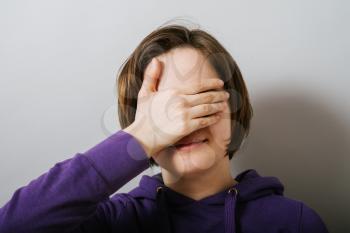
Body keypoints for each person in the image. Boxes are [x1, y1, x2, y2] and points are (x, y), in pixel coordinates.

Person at [0, 24, 329, 233]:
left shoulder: (293, 222)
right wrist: (143, 137)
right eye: (164, 111)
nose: (183, 124)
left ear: (234, 112)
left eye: (202, 100)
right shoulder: (114, 222)